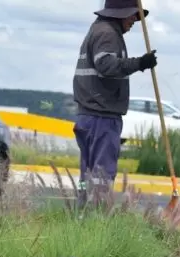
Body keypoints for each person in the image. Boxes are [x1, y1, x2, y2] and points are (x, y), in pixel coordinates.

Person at [72, 0, 158, 203]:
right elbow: (106, 65)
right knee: (102, 176)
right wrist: (140, 63)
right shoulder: (108, 33)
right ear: (119, 14)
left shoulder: (98, 29)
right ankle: (97, 219)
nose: (134, 21)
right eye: (132, 16)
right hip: (101, 117)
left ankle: (83, 216)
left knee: (87, 175)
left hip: (89, 115)